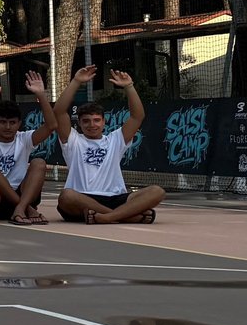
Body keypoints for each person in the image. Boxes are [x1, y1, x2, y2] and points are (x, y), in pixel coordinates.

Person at [46, 65, 164, 224]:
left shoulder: (115, 140)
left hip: (115, 197)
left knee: (157, 192)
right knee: (66, 196)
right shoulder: (73, 140)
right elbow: (59, 112)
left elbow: (137, 116)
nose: (91, 125)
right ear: (79, 123)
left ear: (104, 122)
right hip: (82, 198)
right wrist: (76, 81)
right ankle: (126, 216)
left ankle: (107, 217)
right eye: (86, 121)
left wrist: (129, 86)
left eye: (96, 120)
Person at [0, 72, 55, 225]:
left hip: (22, 194)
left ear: (19, 123)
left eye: (12, 123)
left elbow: (51, 126)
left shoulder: (24, 139)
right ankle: (25, 208)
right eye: (2, 122)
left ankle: (21, 208)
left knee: (39, 163)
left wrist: (41, 95)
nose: (7, 127)